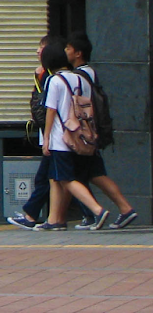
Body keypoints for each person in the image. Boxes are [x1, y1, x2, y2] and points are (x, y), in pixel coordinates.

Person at [36, 38, 131, 231]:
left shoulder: (54, 80)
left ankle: (96, 210)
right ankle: (56, 219)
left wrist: (45, 138)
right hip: (81, 136)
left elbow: (50, 111)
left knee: (65, 179)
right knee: (65, 177)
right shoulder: (79, 77)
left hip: (60, 139)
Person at [61, 33, 136, 229]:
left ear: (78, 53)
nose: (65, 52)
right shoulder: (90, 72)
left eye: (68, 48)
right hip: (91, 132)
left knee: (78, 176)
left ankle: (96, 214)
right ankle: (123, 209)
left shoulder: (80, 75)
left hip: (84, 133)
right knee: (94, 174)